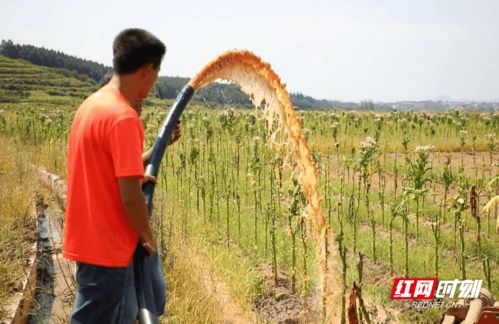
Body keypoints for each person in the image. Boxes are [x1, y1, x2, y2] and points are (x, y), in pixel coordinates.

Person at [63, 28, 178, 323]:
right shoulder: (124, 118)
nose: (153, 85)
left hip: (89, 240)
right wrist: (147, 237)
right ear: (146, 71)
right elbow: (130, 198)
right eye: (155, 75)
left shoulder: (91, 107)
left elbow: (104, 168)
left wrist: (151, 155)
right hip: (109, 248)